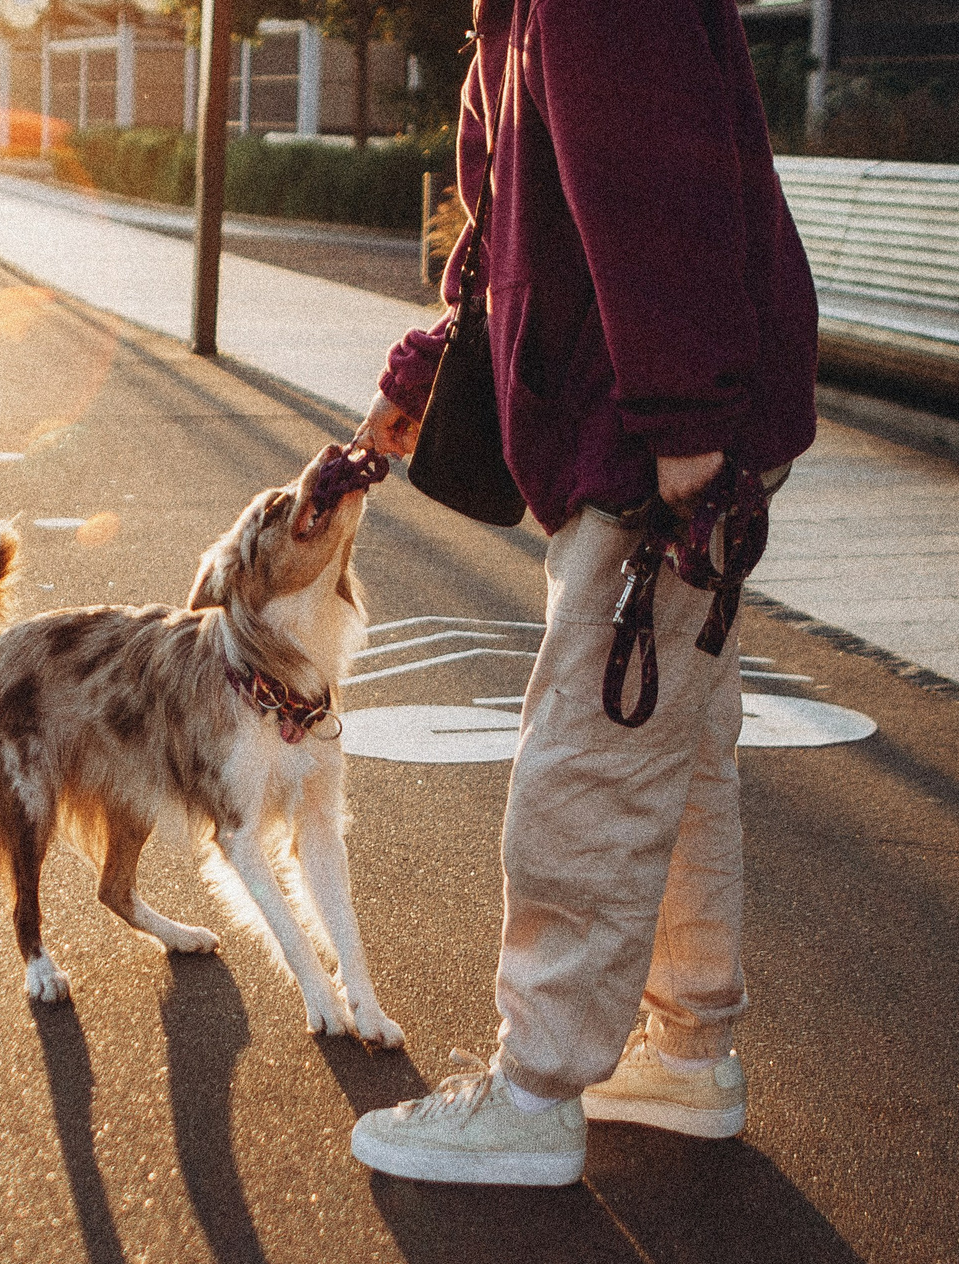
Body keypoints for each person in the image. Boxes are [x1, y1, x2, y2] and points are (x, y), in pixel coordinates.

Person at [347, 0, 818, 1185]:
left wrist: (687, 435)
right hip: (646, 415)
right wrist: (425, 368)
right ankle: (689, 1051)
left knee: (589, 754)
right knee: (678, 748)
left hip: (648, 434)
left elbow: (659, 205)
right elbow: (505, 207)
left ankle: (536, 1090)